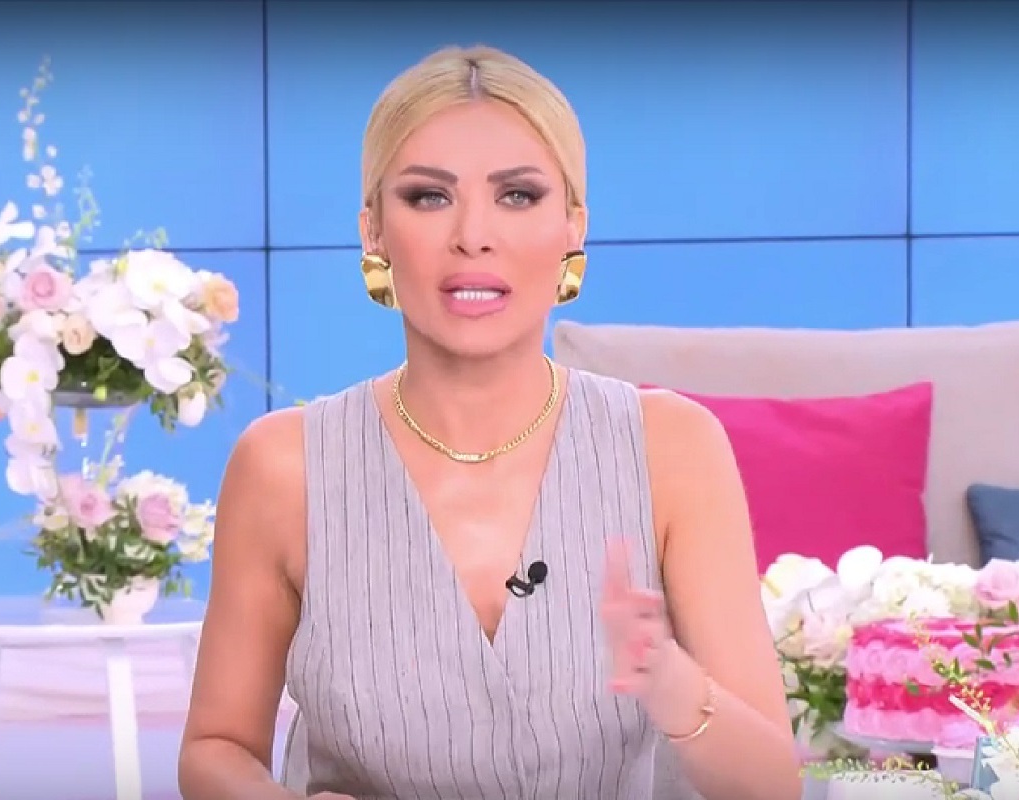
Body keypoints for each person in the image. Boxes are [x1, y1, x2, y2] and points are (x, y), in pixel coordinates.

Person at [178, 44, 800, 800]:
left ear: (573, 226)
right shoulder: (285, 466)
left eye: (517, 196)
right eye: (428, 197)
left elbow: (774, 784)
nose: (473, 234)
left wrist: (672, 684)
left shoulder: (673, 448)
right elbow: (214, 750)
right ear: (373, 230)